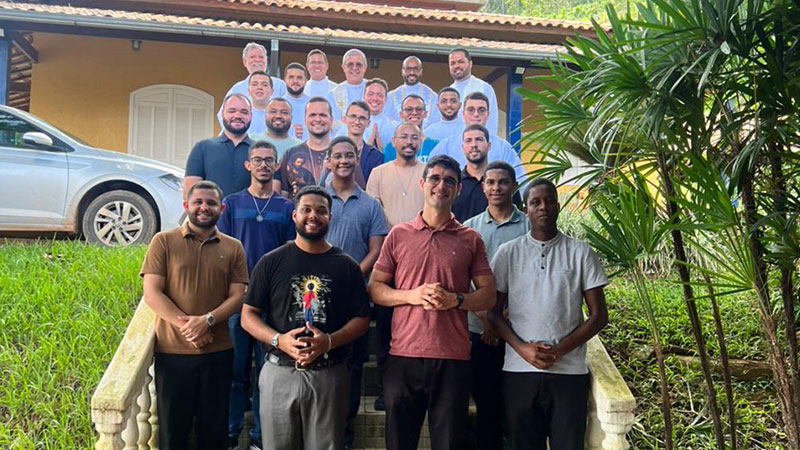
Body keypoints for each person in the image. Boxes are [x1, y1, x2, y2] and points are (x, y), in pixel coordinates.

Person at [368, 155, 496, 450]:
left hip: (453, 358)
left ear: (458, 189)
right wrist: (410, 296)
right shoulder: (399, 235)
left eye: (450, 181)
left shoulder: (471, 239)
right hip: (403, 355)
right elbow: (375, 289)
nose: (441, 185)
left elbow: (488, 295)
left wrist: (456, 299)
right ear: (422, 184)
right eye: (435, 178)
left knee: (450, 443)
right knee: (399, 443)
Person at [240, 185, 370, 450]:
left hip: (329, 374)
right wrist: (279, 340)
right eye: (306, 210)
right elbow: (248, 315)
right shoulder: (271, 262)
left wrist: (329, 341)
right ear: (294, 215)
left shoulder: (347, 266)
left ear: (330, 217)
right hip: (279, 372)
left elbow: (362, 319)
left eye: (321, 211)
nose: (313, 216)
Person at [489, 178, 609, 450]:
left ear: (558, 205)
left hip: (569, 373)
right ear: (526, 210)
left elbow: (599, 316)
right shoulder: (508, 254)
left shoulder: (580, 252)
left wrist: (559, 350)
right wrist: (523, 349)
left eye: (549, 201)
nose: (543, 207)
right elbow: (493, 314)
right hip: (519, 371)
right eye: (535, 202)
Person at [142, 180, 249, 450]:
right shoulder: (163, 241)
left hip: (218, 352)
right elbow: (152, 293)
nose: (204, 207)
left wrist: (207, 320)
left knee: (213, 432)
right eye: (198, 202)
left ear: (221, 209)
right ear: (186, 205)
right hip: (172, 353)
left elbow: (237, 296)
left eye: (211, 203)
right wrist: (190, 328)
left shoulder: (234, 247)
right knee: (172, 431)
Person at [217, 141, 296, 450]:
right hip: (237, 301)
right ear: (247, 165)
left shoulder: (286, 208)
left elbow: (290, 254)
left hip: (272, 304)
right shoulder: (232, 203)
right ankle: (230, 433)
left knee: (268, 374)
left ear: (277, 166)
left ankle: (261, 438)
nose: (264, 165)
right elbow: (221, 250)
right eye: (258, 160)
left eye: (269, 160)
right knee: (234, 372)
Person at [323, 136, 390, 450]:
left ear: (356, 160)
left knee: (352, 368)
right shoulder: (317, 198)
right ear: (328, 161)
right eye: (337, 156)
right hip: (317, 295)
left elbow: (376, 250)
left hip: (355, 296)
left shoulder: (371, 205)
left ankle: (345, 437)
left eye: (349, 155)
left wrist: (350, 277)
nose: (343, 161)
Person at [462, 161, 529, 450]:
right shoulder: (469, 229)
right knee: (485, 400)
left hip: (519, 331)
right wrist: (486, 317)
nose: (496, 188)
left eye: (503, 182)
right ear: (483, 187)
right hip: (478, 331)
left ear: (513, 186)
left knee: (517, 403)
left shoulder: (529, 226)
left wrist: (502, 318)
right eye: (490, 182)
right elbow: (462, 279)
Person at [430, 92, 525, 182]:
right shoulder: (445, 147)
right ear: (463, 114)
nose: (476, 114)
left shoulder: (503, 148)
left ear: (488, 114)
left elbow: (520, 181)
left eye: (481, 110)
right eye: (471, 110)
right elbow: (431, 179)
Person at [185, 93, 252, 199]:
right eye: (232, 111)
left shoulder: (262, 151)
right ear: (222, 113)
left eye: (244, 112)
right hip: (214, 210)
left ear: (251, 115)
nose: (238, 116)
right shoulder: (202, 149)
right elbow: (190, 196)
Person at [452, 124, 522, 222]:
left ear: (489, 146)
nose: (474, 145)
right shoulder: (454, 183)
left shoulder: (504, 183)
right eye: (468, 140)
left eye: (479, 139)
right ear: (463, 148)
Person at [218, 42, 286, 125]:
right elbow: (222, 116)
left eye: (261, 57)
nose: (257, 60)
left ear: (266, 61)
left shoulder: (280, 85)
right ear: (245, 62)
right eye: (252, 57)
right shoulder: (237, 89)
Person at [276, 97, 333, 197]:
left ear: (331, 119)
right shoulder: (290, 154)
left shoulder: (342, 153)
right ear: (305, 120)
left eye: (323, 115)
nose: (318, 119)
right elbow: (283, 195)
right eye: (312, 115)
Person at [325, 101, 384, 188]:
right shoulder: (333, 152)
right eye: (353, 116)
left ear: (368, 123)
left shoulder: (376, 156)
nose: (357, 122)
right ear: (345, 119)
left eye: (362, 118)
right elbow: (323, 185)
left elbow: (378, 187)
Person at [449, 48, 499, 135]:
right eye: (452, 63)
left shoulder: (484, 87)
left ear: (470, 64)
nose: (456, 66)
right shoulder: (448, 93)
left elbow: (492, 121)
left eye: (461, 62)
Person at [382, 95, 438, 163]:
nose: (414, 113)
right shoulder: (390, 147)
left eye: (419, 109)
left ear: (425, 113)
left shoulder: (435, 145)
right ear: (401, 114)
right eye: (409, 109)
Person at [387, 56, 439, 125]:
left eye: (416, 69)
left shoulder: (433, 97)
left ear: (421, 71)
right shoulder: (390, 97)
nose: (412, 72)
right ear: (402, 71)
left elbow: (435, 123)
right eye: (408, 69)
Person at [249, 98, 303, 163]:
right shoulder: (250, 141)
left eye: (284, 112)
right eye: (273, 111)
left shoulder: (301, 146)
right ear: (265, 115)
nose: (278, 116)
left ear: (291, 117)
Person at [328, 48, 368, 120]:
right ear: (343, 67)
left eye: (358, 64)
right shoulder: (334, 94)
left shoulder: (374, 90)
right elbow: (333, 121)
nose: (354, 68)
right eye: (350, 64)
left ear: (365, 67)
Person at [361, 78, 398, 152]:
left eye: (380, 95)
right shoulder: (351, 125)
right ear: (364, 97)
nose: (375, 98)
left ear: (385, 99)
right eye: (371, 94)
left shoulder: (395, 127)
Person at [283, 62, 311, 139]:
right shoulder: (277, 104)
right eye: (291, 77)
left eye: (299, 78)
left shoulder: (313, 104)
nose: (295, 81)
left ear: (305, 81)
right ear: (285, 80)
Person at [247, 71, 274, 136]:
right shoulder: (241, 115)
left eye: (264, 85)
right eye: (255, 84)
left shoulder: (279, 116)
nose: (259, 88)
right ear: (248, 90)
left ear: (272, 91)